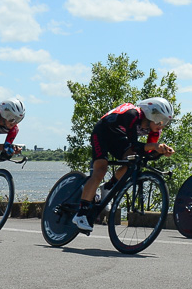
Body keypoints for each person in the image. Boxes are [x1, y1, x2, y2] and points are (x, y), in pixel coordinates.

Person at [71, 97, 175, 233]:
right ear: (150, 114)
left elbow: (146, 153)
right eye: (160, 119)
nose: (162, 124)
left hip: (118, 138)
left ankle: (108, 186)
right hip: (102, 132)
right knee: (101, 169)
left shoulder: (155, 130)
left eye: (166, 122)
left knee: (133, 160)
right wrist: (155, 146)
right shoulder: (132, 115)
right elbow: (135, 144)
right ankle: (81, 214)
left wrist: (160, 152)